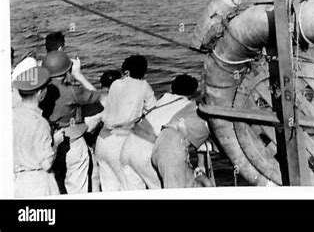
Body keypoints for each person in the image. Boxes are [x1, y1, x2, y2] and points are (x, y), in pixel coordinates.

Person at [120, 74, 198, 190]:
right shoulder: (188, 107)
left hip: (127, 149)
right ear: (192, 93)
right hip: (147, 153)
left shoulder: (161, 101)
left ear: (172, 88)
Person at [40, 50, 103, 194]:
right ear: (67, 70)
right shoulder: (72, 91)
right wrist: (78, 75)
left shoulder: (40, 91)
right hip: (73, 142)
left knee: (57, 186)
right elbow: (97, 96)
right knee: (77, 188)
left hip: (48, 141)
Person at [95, 55, 157, 191]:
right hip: (121, 142)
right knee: (130, 187)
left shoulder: (115, 84)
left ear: (126, 72)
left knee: (108, 188)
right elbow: (154, 110)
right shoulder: (144, 86)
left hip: (103, 140)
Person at [12, 65, 63, 197]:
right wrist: (56, 142)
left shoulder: (11, 115)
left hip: (16, 182)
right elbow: (46, 164)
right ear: (41, 93)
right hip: (37, 183)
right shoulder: (40, 123)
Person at [151, 96, 213, 188]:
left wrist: (201, 165)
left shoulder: (194, 105)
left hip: (162, 142)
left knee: (190, 185)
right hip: (173, 150)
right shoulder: (213, 114)